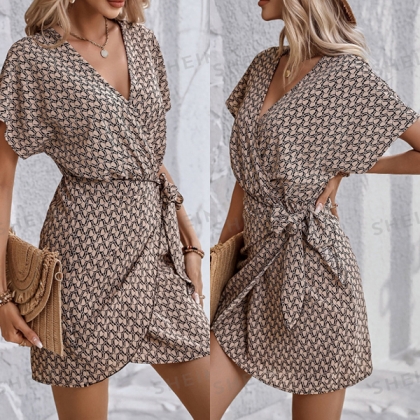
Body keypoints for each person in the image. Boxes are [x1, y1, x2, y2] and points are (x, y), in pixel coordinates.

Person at [210, 1, 420, 419]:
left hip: (319, 277)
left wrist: (350, 166)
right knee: (204, 400)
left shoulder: (346, 75)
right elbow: (246, 178)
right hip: (254, 267)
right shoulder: (264, 65)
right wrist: (221, 265)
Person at [0, 0, 210, 419]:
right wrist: (2, 295)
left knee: (211, 400)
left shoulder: (144, 42)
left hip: (154, 250)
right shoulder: (33, 59)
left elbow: (143, 154)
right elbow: (2, 181)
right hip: (81, 264)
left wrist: (187, 234)